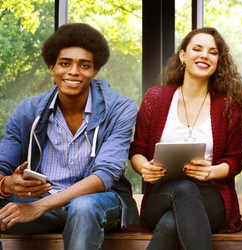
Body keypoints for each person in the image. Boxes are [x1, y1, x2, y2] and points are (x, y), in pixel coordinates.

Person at [0, 23, 140, 250]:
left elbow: (104, 175)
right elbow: (2, 166)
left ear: (95, 71)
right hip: (41, 204)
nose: (74, 71)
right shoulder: (28, 111)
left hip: (100, 202)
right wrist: (7, 185)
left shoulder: (119, 108)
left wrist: (39, 206)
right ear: (52, 67)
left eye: (84, 65)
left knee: (82, 207)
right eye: (65, 63)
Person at [129, 27, 242, 249]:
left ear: (218, 60)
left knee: (170, 223)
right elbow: (137, 150)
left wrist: (212, 171)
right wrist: (145, 168)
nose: (205, 55)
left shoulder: (229, 106)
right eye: (197, 49)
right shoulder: (156, 98)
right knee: (183, 189)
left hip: (212, 195)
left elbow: (235, 160)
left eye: (212, 52)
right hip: (161, 194)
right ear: (183, 55)